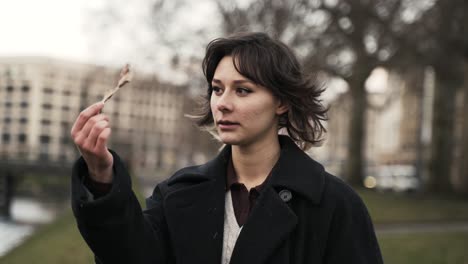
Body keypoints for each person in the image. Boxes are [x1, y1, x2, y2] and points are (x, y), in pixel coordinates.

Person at [70, 32, 383, 264]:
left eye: (243, 90)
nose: (223, 104)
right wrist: (100, 173)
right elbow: (128, 256)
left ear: (282, 102)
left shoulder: (335, 206)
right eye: (217, 89)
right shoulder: (177, 194)